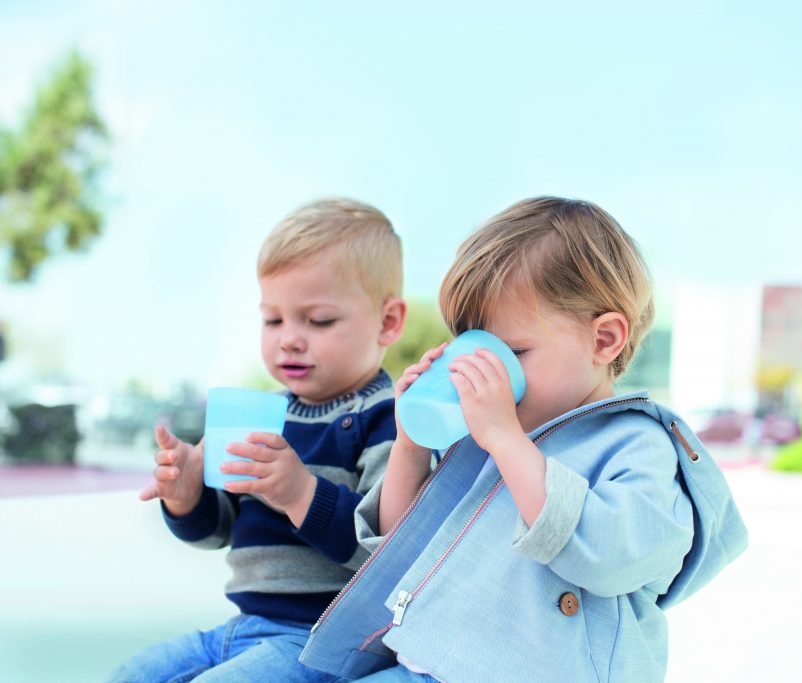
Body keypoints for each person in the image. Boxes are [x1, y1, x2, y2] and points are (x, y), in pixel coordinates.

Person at [299, 197, 748, 683]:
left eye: (511, 352)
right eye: (474, 349)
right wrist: (411, 443)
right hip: (421, 667)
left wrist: (505, 439)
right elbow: (400, 538)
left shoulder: (636, 444)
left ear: (603, 340)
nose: (488, 373)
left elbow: (608, 554)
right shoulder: (487, 430)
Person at [110, 198, 407, 682]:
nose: (289, 338)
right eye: (273, 319)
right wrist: (187, 498)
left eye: (319, 320)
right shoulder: (264, 412)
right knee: (133, 674)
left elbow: (388, 552)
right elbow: (221, 530)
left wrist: (300, 493)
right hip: (244, 626)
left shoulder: (389, 421)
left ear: (388, 322)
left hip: (321, 642)